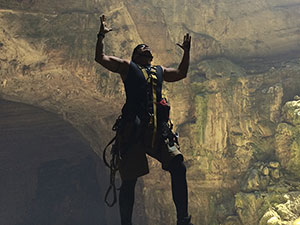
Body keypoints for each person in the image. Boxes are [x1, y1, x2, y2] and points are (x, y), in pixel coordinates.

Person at [95, 15, 193, 225]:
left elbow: (182, 73)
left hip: (159, 132)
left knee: (178, 166)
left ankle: (183, 220)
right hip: (133, 132)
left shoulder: (159, 71)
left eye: (147, 48)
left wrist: (186, 53)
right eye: (141, 47)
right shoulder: (127, 67)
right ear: (135, 55)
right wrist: (101, 34)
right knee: (129, 181)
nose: (146, 48)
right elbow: (100, 58)